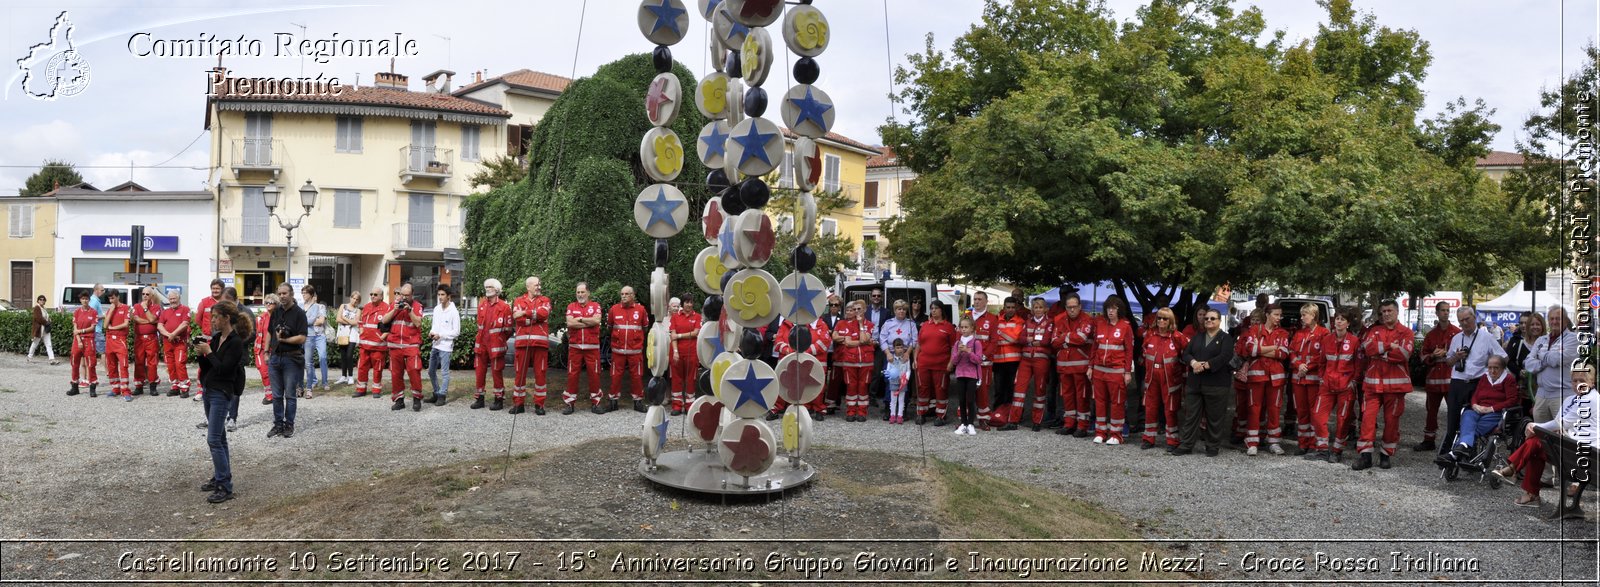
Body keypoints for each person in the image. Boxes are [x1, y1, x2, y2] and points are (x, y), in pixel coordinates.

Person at [1496, 369, 1596, 509]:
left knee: (1536, 441)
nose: (1578, 384)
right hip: (1570, 449)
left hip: (1585, 455)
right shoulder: (1570, 399)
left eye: (1582, 381)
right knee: (1537, 443)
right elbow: (1558, 423)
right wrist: (1538, 428)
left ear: (1592, 382)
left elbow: (1560, 423)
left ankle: (1514, 470)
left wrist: (1534, 425)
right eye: (1575, 380)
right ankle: (1522, 482)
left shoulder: (1591, 400)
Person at [195, 300, 249, 504]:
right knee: (220, 438)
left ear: (227, 318)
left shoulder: (235, 342)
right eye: (212, 317)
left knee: (214, 439)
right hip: (210, 390)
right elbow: (209, 367)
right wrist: (201, 354)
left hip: (221, 392)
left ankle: (225, 486)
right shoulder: (217, 338)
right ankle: (220, 476)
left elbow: (224, 369)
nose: (213, 321)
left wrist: (209, 352)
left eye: (216, 317)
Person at [1437, 307, 1508, 459]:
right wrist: (1456, 357)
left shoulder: (1486, 337)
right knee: (1453, 417)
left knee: (1472, 417)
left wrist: (1491, 368)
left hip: (1477, 383)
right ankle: (1450, 453)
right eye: (1461, 321)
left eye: (1467, 319)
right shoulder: (1456, 338)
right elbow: (1448, 362)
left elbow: (1503, 357)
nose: (1464, 323)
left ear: (1474, 317)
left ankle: (1469, 452)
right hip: (1457, 382)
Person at [1352, 300, 1414, 471]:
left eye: (1389, 311)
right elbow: (1367, 348)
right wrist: (1388, 347)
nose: (1386, 314)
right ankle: (1365, 456)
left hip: (1395, 388)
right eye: (1383, 311)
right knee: (1367, 420)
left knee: (1391, 422)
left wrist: (1381, 354)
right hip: (1372, 385)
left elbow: (1403, 354)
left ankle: (1386, 454)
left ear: (1397, 312)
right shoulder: (1374, 330)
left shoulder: (1406, 332)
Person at [1174, 308, 1236, 456]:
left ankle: (1212, 446)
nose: (1208, 320)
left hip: (1217, 384)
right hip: (1195, 383)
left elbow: (1225, 356)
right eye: (1207, 318)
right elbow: (1186, 353)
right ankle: (1186, 445)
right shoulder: (1197, 337)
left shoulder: (1225, 338)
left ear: (1219, 321)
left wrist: (1207, 365)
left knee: (1215, 417)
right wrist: (1194, 363)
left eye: (1212, 318)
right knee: (1191, 416)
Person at [1306, 308, 1362, 463]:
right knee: (1318, 416)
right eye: (1337, 318)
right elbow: (1322, 362)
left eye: (1342, 319)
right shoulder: (1327, 340)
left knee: (1343, 420)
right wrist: (1322, 378)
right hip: (1327, 386)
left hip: (1346, 387)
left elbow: (1359, 364)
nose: (1339, 321)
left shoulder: (1354, 341)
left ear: (1348, 323)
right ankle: (1322, 449)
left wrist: (1354, 381)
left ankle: (1337, 451)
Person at [1441, 355, 1519, 462]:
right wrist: (1474, 405)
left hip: (1496, 412)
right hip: (1479, 409)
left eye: (1496, 368)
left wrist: (1491, 408)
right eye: (1490, 367)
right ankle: (1464, 448)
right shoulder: (1484, 377)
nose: (1492, 370)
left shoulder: (1508, 379)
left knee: (1472, 426)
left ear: (1503, 368)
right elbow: (1476, 395)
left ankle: (1458, 451)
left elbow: (1512, 400)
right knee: (1468, 414)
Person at [1239, 304, 1290, 455]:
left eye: (1280, 315)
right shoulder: (1255, 330)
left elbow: (1283, 354)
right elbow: (1251, 350)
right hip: (1257, 375)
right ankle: (1252, 441)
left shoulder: (1283, 333)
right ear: (1267, 315)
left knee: (1274, 409)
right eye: (1276, 314)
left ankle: (1274, 442)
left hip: (1276, 376)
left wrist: (1262, 350)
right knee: (1254, 408)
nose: (1278, 318)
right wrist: (1273, 347)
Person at [1089, 295, 1136, 444]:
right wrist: (1090, 366)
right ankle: (1100, 432)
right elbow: (1094, 347)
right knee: (1100, 402)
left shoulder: (1125, 326)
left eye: (1114, 309)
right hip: (1099, 370)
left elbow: (1129, 351)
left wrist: (1127, 372)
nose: (1111, 311)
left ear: (1119, 310)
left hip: (1116, 371)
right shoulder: (1101, 324)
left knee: (1117, 403)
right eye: (1109, 308)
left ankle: (1116, 434)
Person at [1140, 307, 1189, 450]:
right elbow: (1144, 353)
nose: (1161, 321)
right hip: (1152, 377)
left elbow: (1187, 355)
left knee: (1170, 409)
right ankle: (1148, 438)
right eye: (1159, 318)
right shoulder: (1150, 335)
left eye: (1165, 318)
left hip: (1170, 379)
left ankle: (1172, 440)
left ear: (1171, 321)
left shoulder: (1178, 336)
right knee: (1150, 407)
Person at [1415, 302, 1461, 451]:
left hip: (1451, 380)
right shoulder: (1430, 335)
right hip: (1434, 380)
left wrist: (1448, 354)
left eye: (1448, 310)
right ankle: (1429, 440)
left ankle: (1456, 442)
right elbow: (1422, 356)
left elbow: (1464, 353)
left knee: (1454, 411)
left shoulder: (1457, 333)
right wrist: (1433, 356)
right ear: (1437, 313)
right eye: (1442, 310)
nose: (1445, 313)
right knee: (1431, 412)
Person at [1006, 297, 1054, 431]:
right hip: (1026, 359)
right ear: (1032, 309)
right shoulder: (1028, 322)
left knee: (1040, 390)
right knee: (1019, 390)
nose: (1037, 310)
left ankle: (1036, 421)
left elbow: (1046, 341)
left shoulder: (1050, 323)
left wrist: (1030, 340)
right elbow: (1020, 339)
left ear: (1045, 309)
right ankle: (1013, 421)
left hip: (1041, 360)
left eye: (1040, 307)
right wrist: (1031, 340)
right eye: (1035, 307)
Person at [267, 283, 309, 437]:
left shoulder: (299, 313)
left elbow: (302, 338)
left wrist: (285, 340)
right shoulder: (276, 312)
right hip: (275, 357)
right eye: (280, 293)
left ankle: (289, 425)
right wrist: (266, 352)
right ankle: (278, 424)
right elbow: (270, 333)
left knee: (290, 395)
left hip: (292, 359)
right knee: (276, 395)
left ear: (291, 294)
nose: (282, 296)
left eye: (285, 293)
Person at [770, 312, 830, 419]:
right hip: (788, 362)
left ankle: (818, 409)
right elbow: (778, 342)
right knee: (783, 384)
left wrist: (803, 351)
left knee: (816, 386)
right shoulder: (786, 324)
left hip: (816, 363)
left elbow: (824, 343)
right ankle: (777, 407)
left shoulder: (821, 325)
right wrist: (791, 350)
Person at [1288, 304, 1329, 454]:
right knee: (1301, 411)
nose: (1302, 317)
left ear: (1313, 315)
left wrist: (1308, 366)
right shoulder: (1299, 334)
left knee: (1314, 412)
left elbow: (1323, 355)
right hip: (1298, 379)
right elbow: (1291, 352)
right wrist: (1299, 365)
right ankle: (1302, 443)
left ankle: (1313, 444)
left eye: (1305, 314)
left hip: (1313, 379)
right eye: (1302, 314)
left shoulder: (1324, 333)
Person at [511, 276, 554, 414]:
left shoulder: (545, 300)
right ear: (528, 287)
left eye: (539, 284)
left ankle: (539, 405)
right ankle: (518, 404)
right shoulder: (518, 300)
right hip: (523, 343)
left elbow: (544, 313)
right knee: (520, 374)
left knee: (540, 374)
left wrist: (524, 312)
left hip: (540, 343)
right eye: (536, 285)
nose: (539, 287)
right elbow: (518, 320)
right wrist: (534, 319)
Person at [1053, 293, 1094, 438]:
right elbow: (1053, 342)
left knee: (1082, 396)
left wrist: (1064, 336)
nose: (1071, 310)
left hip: (1080, 366)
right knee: (1067, 396)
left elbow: (1082, 338)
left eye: (1074, 307)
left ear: (1080, 306)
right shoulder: (1058, 319)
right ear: (1065, 307)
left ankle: (1082, 426)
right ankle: (1069, 424)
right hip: (1063, 365)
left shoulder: (1087, 319)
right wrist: (1070, 337)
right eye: (1069, 307)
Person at [471, 279, 514, 410]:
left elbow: (508, 329)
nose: (487, 289)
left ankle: (499, 399)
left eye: (490, 287)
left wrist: (499, 341)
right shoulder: (482, 305)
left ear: (497, 290)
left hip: (496, 345)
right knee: (479, 372)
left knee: (496, 372)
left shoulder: (504, 307)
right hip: (481, 344)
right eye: (486, 286)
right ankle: (479, 398)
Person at [382, 283, 426, 412]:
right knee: (396, 374)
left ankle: (417, 399)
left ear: (412, 295)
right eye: (402, 295)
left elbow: (418, 323)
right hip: (395, 344)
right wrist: (395, 310)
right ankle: (399, 400)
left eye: (407, 295)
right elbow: (384, 320)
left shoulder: (417, 306)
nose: (404, 298)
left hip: (411, 344)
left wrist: (409, 310)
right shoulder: (394, 304)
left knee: (414, 371)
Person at [607, 286, 650, 413]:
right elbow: (610, 327)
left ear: (633, 295)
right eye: (622, 294)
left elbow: (645, 328)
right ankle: (613, 402)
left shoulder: (641, 309)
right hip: (618, 351)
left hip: (635, 352)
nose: (624, 296)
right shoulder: (614, 309)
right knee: (615, 376)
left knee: (637, 376)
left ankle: (638, 403)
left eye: (627, 294)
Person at [564, 282, 604, 414]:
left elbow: (597, 321)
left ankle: (596, 403)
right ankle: (570, 403)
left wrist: (579, 319)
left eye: (582, 292)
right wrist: (587, 321)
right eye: (578, 292)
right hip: (575, 347)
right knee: (572, 374)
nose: (580, 295)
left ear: (588, 293)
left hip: (592, 347)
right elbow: (570, 323)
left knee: (594, 374)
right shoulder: (571, 306)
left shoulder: (595, 306)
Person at [915, 303, 957, 425]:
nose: (933, 311)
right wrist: (915, 359)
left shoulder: (948, 327)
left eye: (936, 308)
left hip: (941, 364)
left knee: (941, 389)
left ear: (941, 310)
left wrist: (951, 362)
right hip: (923, 363)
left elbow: (953, 347)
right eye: (931, 309)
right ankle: (921, 413)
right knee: (923, 388)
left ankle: (940, 415)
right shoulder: (925, 325)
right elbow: (919, 344)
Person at [833, 300, 875, 421]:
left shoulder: (870, 325)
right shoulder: (848, 324)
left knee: (863, 386)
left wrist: (861, 326)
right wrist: (864, 342)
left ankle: (862, 412)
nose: (856, 311)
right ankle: (851, 411)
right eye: (854, 309)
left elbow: (862, 339)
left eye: (859, 309)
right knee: (851, 386)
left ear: (864, 310)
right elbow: (848, 342)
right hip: (850, 361)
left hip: (866, 361)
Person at [877, 300, 919, 421]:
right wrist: (888, 354)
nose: (901, 311)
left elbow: (914, 340)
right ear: (894, 310)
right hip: (890, 355)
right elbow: (882, 339)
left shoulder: (911, 324)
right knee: (889, 381)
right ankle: (888, 409)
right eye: (899, 309)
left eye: (904, 309)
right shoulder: (888, 323)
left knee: (904, 381)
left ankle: (902, 410)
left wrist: (908, 353)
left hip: (904, 356)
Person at [989, 297, 1024, 428]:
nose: (1010, 310)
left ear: (1016, 308)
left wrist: (999, 332)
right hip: (998, 360)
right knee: (998, 389)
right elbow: (993, 337)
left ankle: (1010, 415)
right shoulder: (996, 319)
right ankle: (997, 415)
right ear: (1004, 307)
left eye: (1012, 307)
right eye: (1008, 307)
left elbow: (1014, 339)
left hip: (1013, 360)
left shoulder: (1020, 321)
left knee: (1011, 389)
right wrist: (1004, 335)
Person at [948, 317, 984, 435]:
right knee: (962, 399)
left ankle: (971, 423)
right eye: (961, 327)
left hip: (972, 375)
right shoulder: (957, 343)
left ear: (972, 328)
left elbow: (978, 360)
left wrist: (969, 352)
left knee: (970, 399)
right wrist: (958, 352)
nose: (963, 329)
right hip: (960, 374)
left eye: (966, 327)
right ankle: (963, 423)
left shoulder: (976, 343)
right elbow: (954, 361)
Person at [668, 294, 703, 415]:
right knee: (676, 379)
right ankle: (677, 406)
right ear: (682, 304)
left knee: (690, 379)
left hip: (692, 353)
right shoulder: (675, 317)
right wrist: (676, 352)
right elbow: (673, 336)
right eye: (686, 302)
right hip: (677, 352)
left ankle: (689, 405)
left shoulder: (697, 317)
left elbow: (695, 333)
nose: (689, 304)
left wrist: (679, 335)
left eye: (691, 302)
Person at [354, 287, 389, 399]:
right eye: (371, 294)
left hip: (378, 346)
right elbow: (361, 322)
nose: (372, 296)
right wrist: (361, 330)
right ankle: (361, 389)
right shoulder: (367, 307)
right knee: (362, 367)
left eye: (375, 294)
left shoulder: (386, 308)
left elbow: (389, 326)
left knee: (377, 368)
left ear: (381, 296)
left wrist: (383, 337)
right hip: (364, 345)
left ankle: (376, 389)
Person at [970, 290, 998, 430]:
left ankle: (983, 420)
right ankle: (965, 419)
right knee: (967, 391)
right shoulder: (967, 316)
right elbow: (959, 338)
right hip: (968, 363)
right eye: (975, 299)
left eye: (980, 299)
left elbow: (994, 341)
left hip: (984, 363)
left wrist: (983, 356)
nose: (977, 301)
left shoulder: (992, 319)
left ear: (986, 301)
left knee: (982, 392)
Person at [428, 285, 459, 407]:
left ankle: (442, 395)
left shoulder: (454, 312)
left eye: (442, 295)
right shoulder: (436, 309)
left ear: (448, 296)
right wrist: (432, 332)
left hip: (446, 347)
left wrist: (440, 335)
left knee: (444, 372)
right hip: (435, 345)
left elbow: (456, 332)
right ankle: (436, 392)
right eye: (439, 294)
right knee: (431, 371)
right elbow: (435, 325)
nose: (440, 297)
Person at [158, 290, 193, 397]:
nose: (172, 301)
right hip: (168, 342)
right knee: (170, 365)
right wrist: (170, 335)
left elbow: (184, 324)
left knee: (179, 364)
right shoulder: (165, 312)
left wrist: (173, 334)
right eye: (171, 299)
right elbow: (159, 326)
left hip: (179, 342)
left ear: (179, 298)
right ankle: (175, 386)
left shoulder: (185, 309)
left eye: (174, 298)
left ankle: (185, 388)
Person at [130, 287, 162, 396]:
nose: (144, 296)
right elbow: (136, 319)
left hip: (151, 338)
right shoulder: (136, 306)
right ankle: (139, 386)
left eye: (147, 294)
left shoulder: (156, 307)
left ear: (152, 296)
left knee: (152, 363)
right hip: (139, 338)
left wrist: (145, 309)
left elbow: (153, 319)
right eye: (143, 294)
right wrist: (149, 321)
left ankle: (152, 385)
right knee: (139, 361)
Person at [68, 291, 99, 396]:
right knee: (74, 363)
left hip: (88, 340)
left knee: (91, 364)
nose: (84, 301)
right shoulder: (76, 312)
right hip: (77, 341)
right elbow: (75, 328)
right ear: (80, 300)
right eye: (83, 299)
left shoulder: (93, 312)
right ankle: (74, 387)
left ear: (89, 300)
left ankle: (92, 387)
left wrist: (82, 332)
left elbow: (92, 327)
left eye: (86, 299)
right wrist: (78, 339)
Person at [103, 291, 132, 400]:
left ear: (118, 297)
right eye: (110, 299)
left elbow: (126, 324)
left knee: (123, 365)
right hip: (110, 340)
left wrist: (113, 328)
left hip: (120, 340)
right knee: (111, 365)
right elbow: (105, 325)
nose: (111, 301)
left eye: (113, 298)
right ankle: (115, 388)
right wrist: (111, 310)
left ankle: (125, 391)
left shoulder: (125, 308)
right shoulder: (110, 309)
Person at [300, 285, 328, 396]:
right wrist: (311, 320)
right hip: (307, 335)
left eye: (305, 293)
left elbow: (321, 321)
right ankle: (313, 381)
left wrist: (307, 321)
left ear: (312, 294)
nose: (303, 295)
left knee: (323, 356)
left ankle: (325, 382)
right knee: (308, 361)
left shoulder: (320, 307)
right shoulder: (301, 306)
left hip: (319, 335)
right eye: (302, 293)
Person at [254, 297, 276, 406]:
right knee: (264, 372)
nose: (268, 304)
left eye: (271, 302)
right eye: (266, 302)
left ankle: (275, 394)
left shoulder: (280, 317)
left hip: (276, 350)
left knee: (276, 374)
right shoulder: (260, 318)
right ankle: (269, 395)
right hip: (261, 349)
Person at [336, 292, 361, 385]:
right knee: (343, 356)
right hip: (342, 333)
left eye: (357, 299)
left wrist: (345, 319)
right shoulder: (343, 306)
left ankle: (350, 376)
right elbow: (338, 319)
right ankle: (343, 376)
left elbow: (356, 323)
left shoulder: (358, 310)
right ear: (350, 298)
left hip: (352, 334)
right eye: (353, 298)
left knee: (349, 355)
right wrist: (350, 321)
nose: (355, 300)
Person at [884, 339, 911, 423]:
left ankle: (900, 415)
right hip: (893, 381)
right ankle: (892, 415)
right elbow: (888, 369)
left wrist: (906, 378)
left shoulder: (906, 359)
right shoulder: (891, 359)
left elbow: (908, 370)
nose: (900, 349)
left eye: (901, 347)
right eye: (897, 347)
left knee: (901, 399)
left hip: (903, 382)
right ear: (894, 348)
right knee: (893, 400)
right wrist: (889, 376)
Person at [28, 295, 57, 365]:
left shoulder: (44, 308)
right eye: (40, 299)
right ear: (38, 300)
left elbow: (46, 317)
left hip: (45, 330)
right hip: (39, 329)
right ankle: (29, 357)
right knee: (35, 343)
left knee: (49, 344)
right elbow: (38, 318)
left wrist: (49, 320)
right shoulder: (37, 308)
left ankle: (52, 359)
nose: (42, 301)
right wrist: (47, 323)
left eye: (43, 300)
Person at [90, 283, 106, 355]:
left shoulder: (94, 300)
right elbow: (91, 316)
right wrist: (104, 316)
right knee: (103, 352)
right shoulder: (94, 301)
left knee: (89, 352)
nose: (103, 292)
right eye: (102, 290)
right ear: (96, 290)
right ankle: (106, 367)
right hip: (96, 330)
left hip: (95, 329)